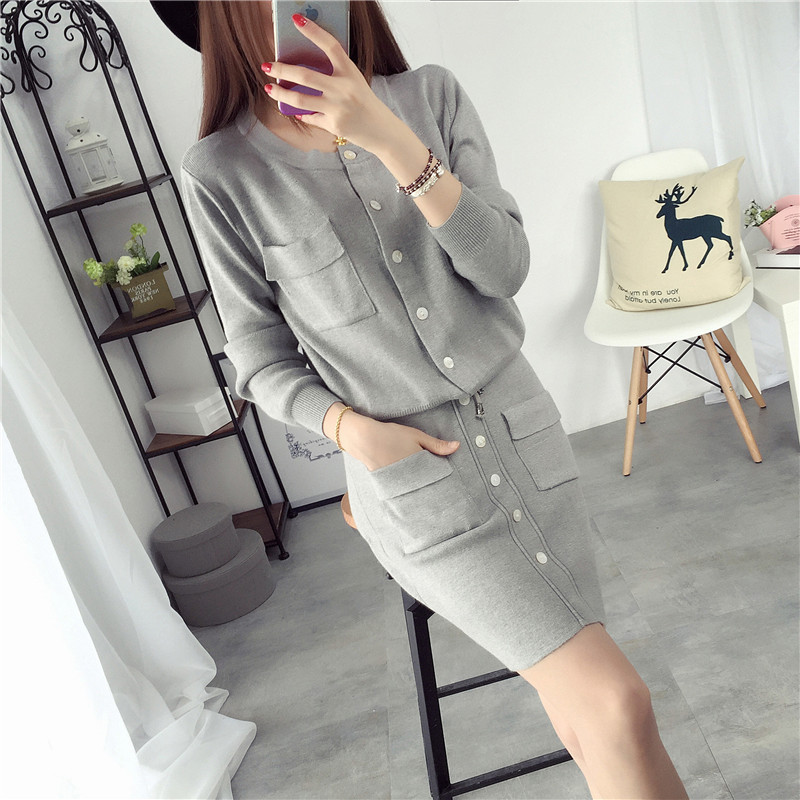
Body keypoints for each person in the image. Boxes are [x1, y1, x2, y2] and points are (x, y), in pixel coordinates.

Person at [151, 2, 689, 797]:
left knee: (592, 711)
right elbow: (256, 355)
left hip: (529, 446)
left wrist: (391, 141)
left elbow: (504, 270)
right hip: (422, 494)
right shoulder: (222, 173)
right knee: (617, 701)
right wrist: (350, 432)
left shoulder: (430, 98)